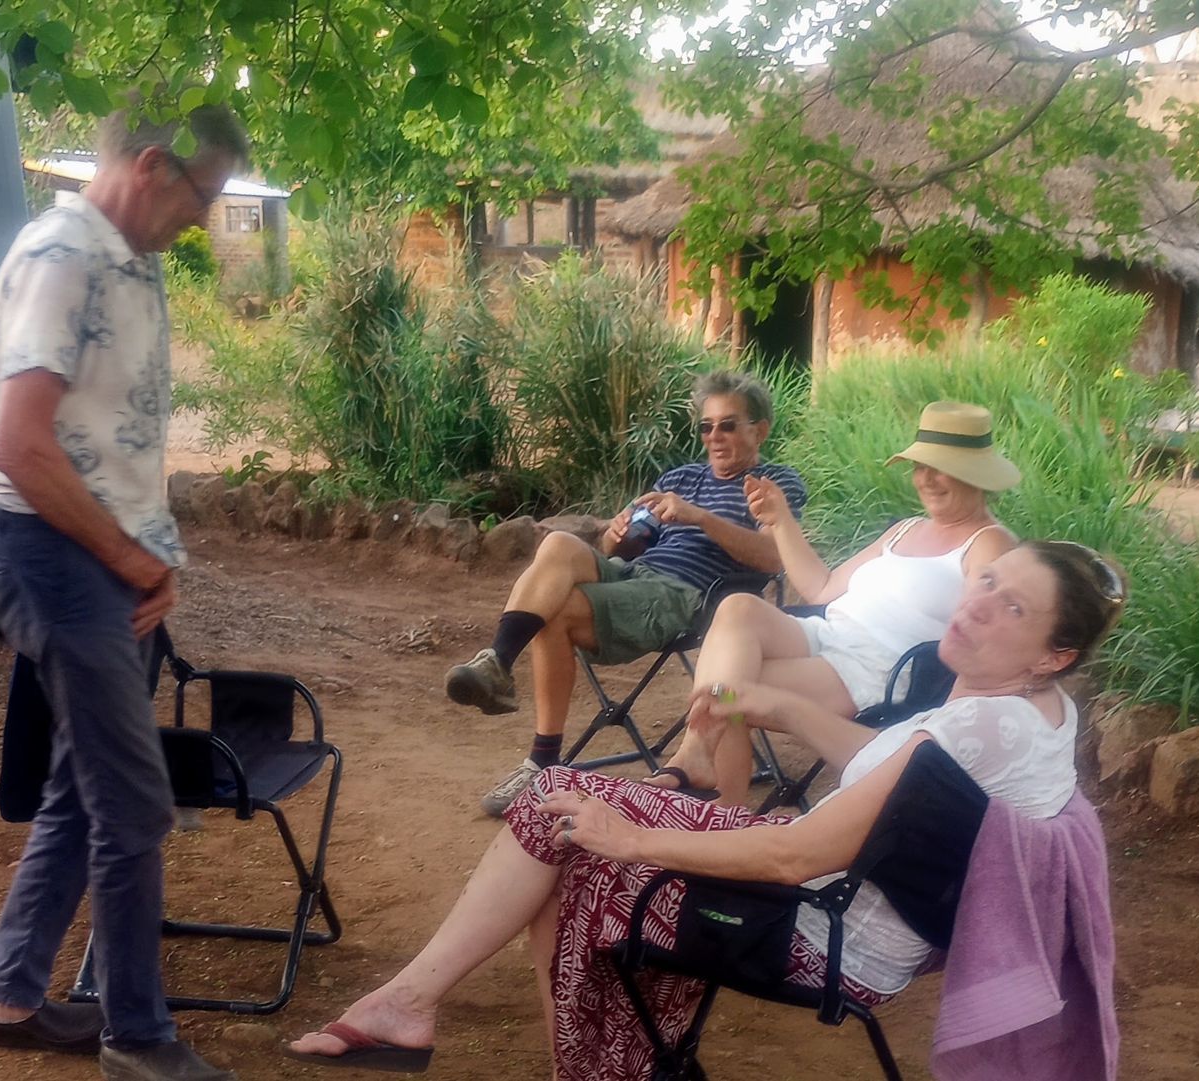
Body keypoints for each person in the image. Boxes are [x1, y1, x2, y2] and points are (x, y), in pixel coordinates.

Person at [286, 541, 1126, 1079]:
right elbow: (896, 786)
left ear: (1052, 653)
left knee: (578, 837)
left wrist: (633, 833)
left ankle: (556, 1053)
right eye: (986, 581)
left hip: (819, 927)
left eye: (1010, 606)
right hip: (847, 893)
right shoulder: (1036, 715)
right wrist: (781, 706)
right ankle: (427, 1006)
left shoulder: (978, 724)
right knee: (559, 809)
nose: (974, 603)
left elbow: (794, 855)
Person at [0, 100, 248, 1081]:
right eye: (205, 195)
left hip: (104, 566)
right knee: (134, 806)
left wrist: (152, 556)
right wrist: (130, 559)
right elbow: (21, 445)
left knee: (81, 798)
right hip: (54, 557)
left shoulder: (131, 263)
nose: (205, 219)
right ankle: (135, 1033)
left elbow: (110, 442)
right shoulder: (64, 255)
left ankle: (11, 994)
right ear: (156, 166)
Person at [444, 370, 808, 816]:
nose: (714, 436)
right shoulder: (682, 477)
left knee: (556, 613)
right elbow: (624, 545)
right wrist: (617, 535)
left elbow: (774, 558)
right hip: (634, 572)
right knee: (558, 544)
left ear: (760, 429)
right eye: (706, 426)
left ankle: (540, 762)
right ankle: (497, 661)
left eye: (728, 424)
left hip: (689, 595)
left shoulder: (776, 483)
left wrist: (699, 518)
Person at [649, 400, 1018, 805]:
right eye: (919, 466)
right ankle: (707, 774)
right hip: (828, 634)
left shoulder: (989, 543)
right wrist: (781, 519)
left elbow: (983, 635)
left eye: (938, 467)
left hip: (879, 667)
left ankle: (720, 805)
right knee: (738, 607)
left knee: (730, 684)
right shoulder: (906, 528)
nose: (925, 479)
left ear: (974, 474)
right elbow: (822, 589)